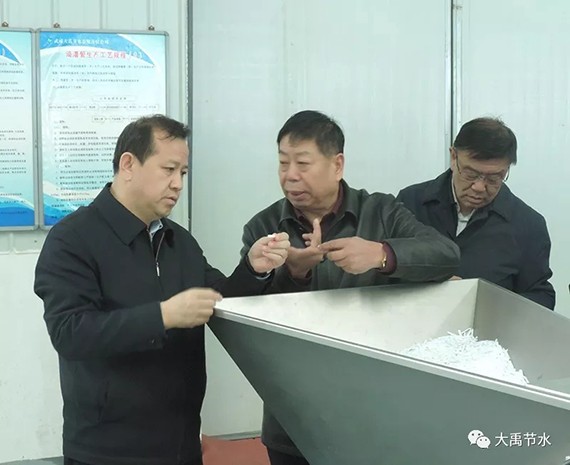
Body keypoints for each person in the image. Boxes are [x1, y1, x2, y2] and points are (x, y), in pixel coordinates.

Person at [34, 114, 290, 465]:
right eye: (168, 170)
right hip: (107, 451)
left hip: (181, 445)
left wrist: (253, 268)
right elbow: (70, 333)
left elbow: (218, 298)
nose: (177, 184)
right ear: (128, 165)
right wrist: (163, 316)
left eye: (182, 173)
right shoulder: (73, 239)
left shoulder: (177, 240)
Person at [240, 110, 461, 465]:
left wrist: (381, 254)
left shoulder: (382, 212)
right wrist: (294, 273)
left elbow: (445, 254)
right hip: (293, 412)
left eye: (303, 163)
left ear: (337, 165)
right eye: (283, 163)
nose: (290, 175)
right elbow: (247, 317)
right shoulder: (263, 227)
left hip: (372, 408)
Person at [397, 117, 555, 309]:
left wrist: (490, 303)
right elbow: (385, 274)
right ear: (453, 157)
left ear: (506, 169)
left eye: (494, 178)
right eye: (470, 174)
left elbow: (541, 296)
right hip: (414, 321)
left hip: (490, 326)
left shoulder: (528, 225)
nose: (479, 187)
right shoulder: (410, 203)